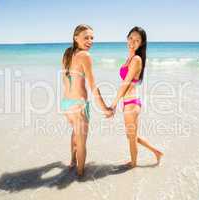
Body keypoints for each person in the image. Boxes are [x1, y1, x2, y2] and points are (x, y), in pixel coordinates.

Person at [61, 24, 113, 176]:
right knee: (82, 143)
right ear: (75, 38)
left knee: (75, 133)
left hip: (66, 104)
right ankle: (79, 177)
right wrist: (105, 108)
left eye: (92, 38)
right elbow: (93, 86)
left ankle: (72, 161)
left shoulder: (67, 53)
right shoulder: (85, 56)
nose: (90, 41)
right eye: (86, 37)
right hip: (79, 105)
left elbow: (66, 80)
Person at [110, 26, 163, 168]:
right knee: (131, 136)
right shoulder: (130, 58)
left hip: (131, 103)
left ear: (141, 44)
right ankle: (157, 152)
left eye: (137, 40)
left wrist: (114, 103)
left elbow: (126, 83)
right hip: (128, 102)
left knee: (131, 138)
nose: (133, 42)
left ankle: (133, 165)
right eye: (131, 38)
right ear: (127, 38)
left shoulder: (137, 59)